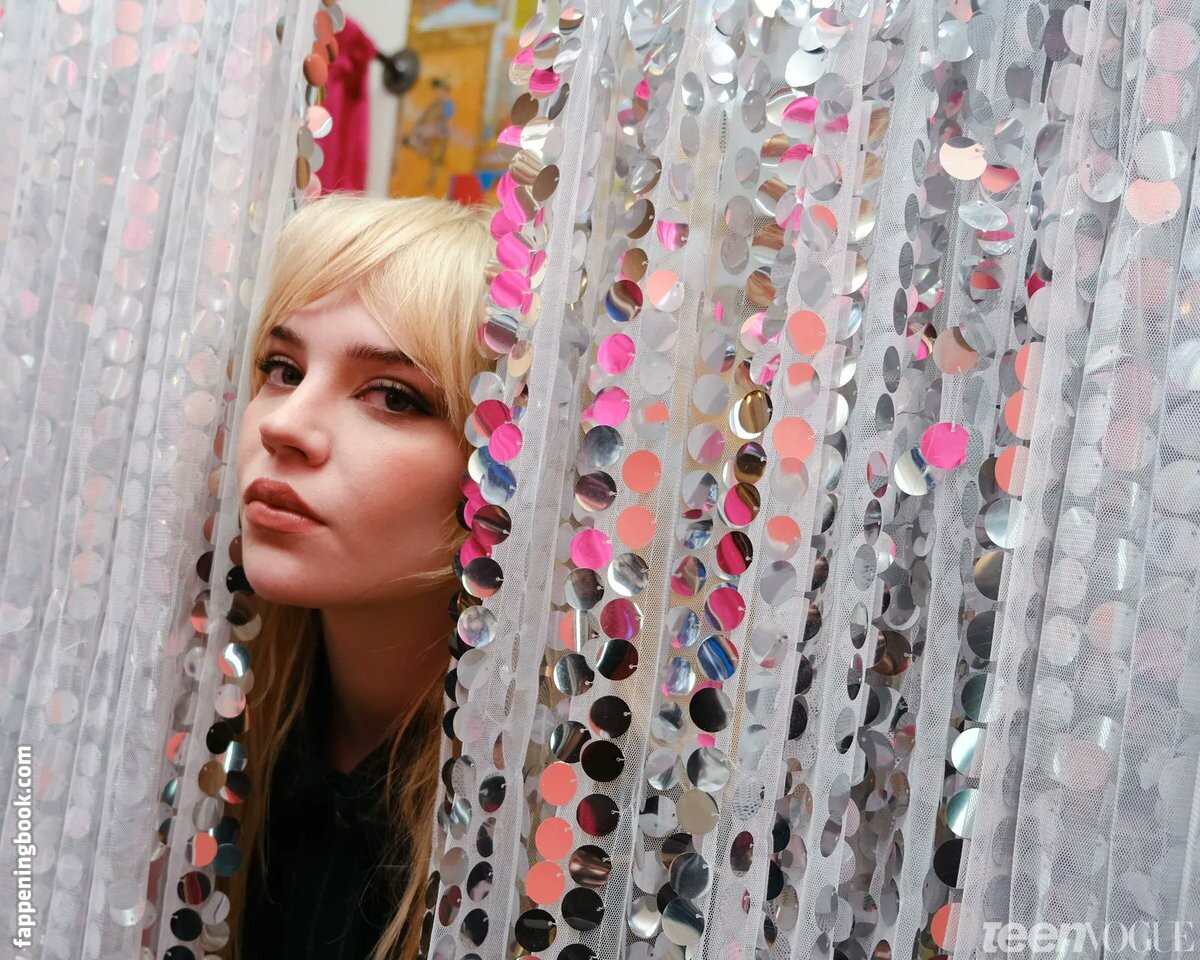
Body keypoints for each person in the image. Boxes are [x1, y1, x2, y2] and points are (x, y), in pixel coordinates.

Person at [224, 192, 495, 960]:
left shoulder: (560, 836)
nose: (284, 425)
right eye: (282, 369)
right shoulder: (201, 745)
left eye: (393, 397)